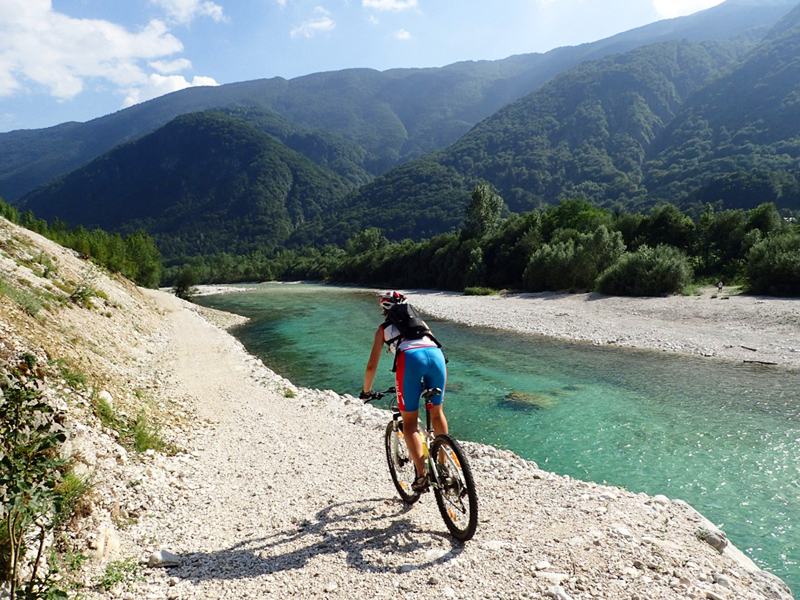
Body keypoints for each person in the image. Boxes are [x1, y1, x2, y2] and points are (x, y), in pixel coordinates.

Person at [361, 291, 448, 492]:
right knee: (437, 414)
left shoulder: (383, 330)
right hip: (436, 357)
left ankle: (421, 475)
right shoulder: (422, 324)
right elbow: (434, 344)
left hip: (410, 359)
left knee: (409, 423)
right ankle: (443, 466)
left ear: (385, 310)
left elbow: (371, 367)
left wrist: (367, 391)